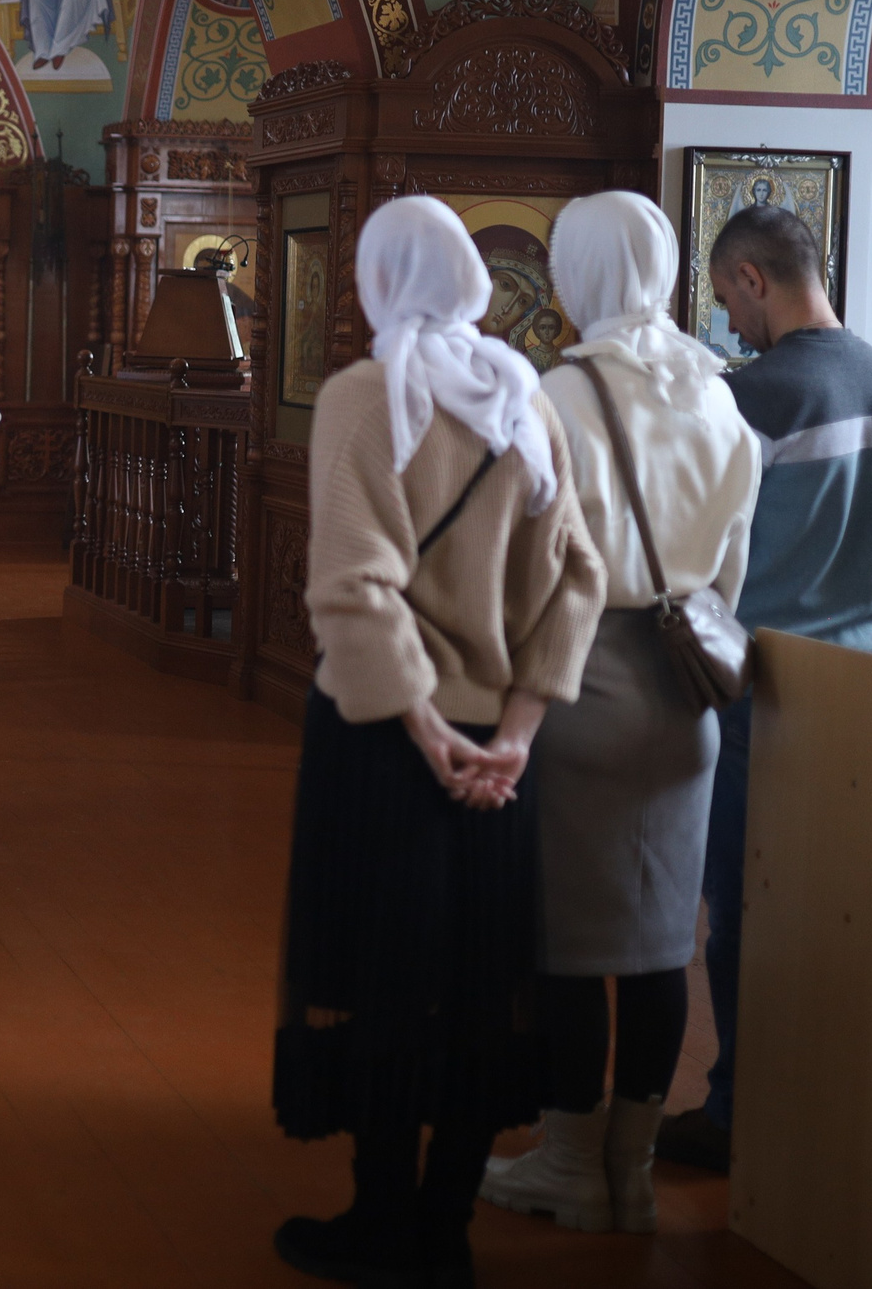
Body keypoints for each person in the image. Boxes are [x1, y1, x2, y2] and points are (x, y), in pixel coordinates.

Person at [272, 195, 604, 1288]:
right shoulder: (522, 395)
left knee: (382, 973)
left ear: (374, 279)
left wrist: (424, 733)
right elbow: (578, 578)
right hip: (501, 752)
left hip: (384, 740)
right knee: (476, 983)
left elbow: (354, 587)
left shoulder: (370, 396)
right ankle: (445, 1228)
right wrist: (508, 736)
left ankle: (379, 1223)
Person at [478, 192, 760, 1235]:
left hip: (577, 680)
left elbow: (522, 559)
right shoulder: (717, 394)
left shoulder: (561, 392)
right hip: (686, 692)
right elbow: (730, 569)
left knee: (562, 941)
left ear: (580, 273)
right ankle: (630, 1172)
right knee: (652, 945)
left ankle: (565, 1164)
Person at [656, 203, 872, 1175]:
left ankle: (738, 1112)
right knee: (832, 907)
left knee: (742, 909)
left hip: (760, 686)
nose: (730, 323)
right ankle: (826, 1102)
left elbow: (698, 547)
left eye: (729, 298)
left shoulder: (755, 395)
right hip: (868, 685)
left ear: (749, 279)